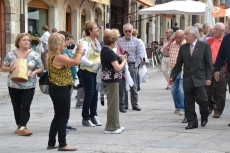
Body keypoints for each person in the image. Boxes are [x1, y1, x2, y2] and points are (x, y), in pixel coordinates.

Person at [169, 26, 212, 130]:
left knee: (203, 100)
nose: (185, 36)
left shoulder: (204, 46)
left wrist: (208, 78)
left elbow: (208, 64)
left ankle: (204, 114)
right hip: (188, 79)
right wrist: (172, 76)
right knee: (189, 101)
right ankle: (192, 122)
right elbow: (179, 64)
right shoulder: (183, 48)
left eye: (187, 34)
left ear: (194, 35)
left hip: (200, 78)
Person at [1, 33, 44, 136]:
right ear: (18, 42)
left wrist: (35, 72)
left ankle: (23, 127)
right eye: (24, 40)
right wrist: (9, 69)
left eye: (28, 40)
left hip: (29, 85)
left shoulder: (34, 54)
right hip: (13, 84)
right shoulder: (11, 54)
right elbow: (2, 67)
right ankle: (19, 125)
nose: (27, 42)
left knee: (25, 105)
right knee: (16, 106)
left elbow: (41, 67)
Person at [47, 32, 84, 151]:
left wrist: (78, 53)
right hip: (61, 89)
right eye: (63, 41)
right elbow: (76, 62)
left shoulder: (55, 56)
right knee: (63, 117)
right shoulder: (58, 57)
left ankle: (51, 143)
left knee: (57, 116)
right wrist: (80, 50)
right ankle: (62, 144)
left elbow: (72, 60)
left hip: (56, 88)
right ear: (57, 44)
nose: (65, 43)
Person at [101, 29, 127, 134]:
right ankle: (111, 127)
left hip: (110, 79)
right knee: (113, 103)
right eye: (116, 40)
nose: (117, 42)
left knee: (113, 103)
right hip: (112, 79)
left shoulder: (105, 50)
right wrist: (124, 61)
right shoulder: (108, 52)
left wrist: (120, 58)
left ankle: (115, 125)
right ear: (112, 41)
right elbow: (117, 68)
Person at [117, 23, 144, 111]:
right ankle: (124, 104)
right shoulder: (119, 41)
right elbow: (117, 52)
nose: (128, 33)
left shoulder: (137, 41)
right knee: (123, 85)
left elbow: (140, 55)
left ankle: (135, 104)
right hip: (122, 65)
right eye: (126, 31)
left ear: (132, 31)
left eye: (129, 31)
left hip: (132, 65)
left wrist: (136, 65)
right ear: (123, 31)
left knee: (133, 85)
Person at [80, 21, 102, 127]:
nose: (98, 29)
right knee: (89, 94)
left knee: (95, 94)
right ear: (90, 31)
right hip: (87, 70)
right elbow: (82, 59)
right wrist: (94, 64)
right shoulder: (84, 42)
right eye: (96, 28)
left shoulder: (96, 42)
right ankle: (85, 117)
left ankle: (94, 115)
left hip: (96, 71)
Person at [206, 23, 226, 118]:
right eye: (214, 29)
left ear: (223, 31)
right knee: (208, 88)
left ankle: (218, 109)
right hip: (210, 66)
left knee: (220, 90)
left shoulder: (225, 41)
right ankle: (211, 105)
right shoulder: (209, 40)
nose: (214, 31)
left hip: (222, 66)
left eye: (216, 29)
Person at [58, 31, 77, 132]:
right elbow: (73, 62)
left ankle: (65, 122)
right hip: (64, 81)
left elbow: (73, 59)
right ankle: (62, 125)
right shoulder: (62, 53)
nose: (68, 41)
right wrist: (80, 52)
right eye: (67, 39)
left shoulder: (66, 51)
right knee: (63, 105)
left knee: (67, 103)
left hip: (70, 79)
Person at [166, 30, 186, 119]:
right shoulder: (172, 44)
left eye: (180, 37)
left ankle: (182, 108)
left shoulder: (186, 44)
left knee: (181, 90)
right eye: (177, 37)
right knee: (173, 90)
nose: (178, 39)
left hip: (183, 70)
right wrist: (170, 41)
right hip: (173, 70)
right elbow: (163, 51)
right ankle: (177, 107)